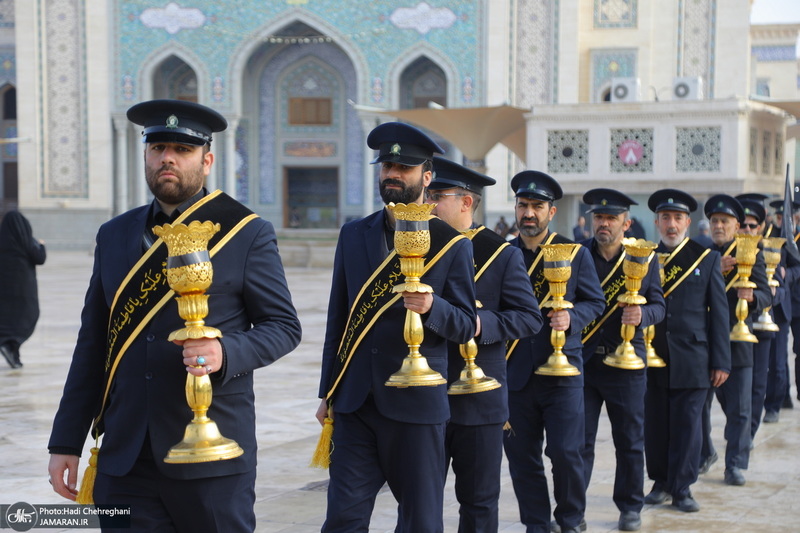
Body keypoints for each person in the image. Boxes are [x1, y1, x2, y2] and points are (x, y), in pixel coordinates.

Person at [47, 99, 302, 531]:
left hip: (213, 453)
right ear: (146, 155)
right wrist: (66, 441)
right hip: (126, 459)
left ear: (207, 161)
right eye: (158, 147)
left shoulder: (246, 232)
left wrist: (226, 351)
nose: (167, 158)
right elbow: (93, 343)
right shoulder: (114, 235)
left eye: (182, 150)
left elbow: (284, 327)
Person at [315, 122, 477, 532]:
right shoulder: (354, 234)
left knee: (420, 522)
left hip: (417, 408)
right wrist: (327, 392)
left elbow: (465, 325)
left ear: (426, 177)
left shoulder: (451, 244)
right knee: (343, 519)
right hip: (356, 404)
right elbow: (339, 317)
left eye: (403, 167)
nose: (391, 174)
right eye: (386, 165)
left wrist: (432, 306)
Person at [426, 156, 543, 532]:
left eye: (437, 195)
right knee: (419, 499)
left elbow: (529, 317)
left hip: (480, 398)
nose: (428, 202)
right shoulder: (416, 245)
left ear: (466, 202)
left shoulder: (501, 252)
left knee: (478, 503)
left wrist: (479, 323)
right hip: (422, 393)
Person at [502, 171, 605, 533]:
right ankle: (535, 523)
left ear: (551, 211)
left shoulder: (575, 253)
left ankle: (571, 519)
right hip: (514, 375)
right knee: (521, 457)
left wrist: (572, 316)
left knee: (566, 453)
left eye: (537, 206)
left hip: (562, 373)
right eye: (523, 205)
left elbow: (596, 301)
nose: (528, 213)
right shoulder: (501, 254)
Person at [578, 189, 665, 532]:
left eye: (611, 218)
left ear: (626, 223)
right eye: (599, 217)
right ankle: (573, 510)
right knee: (577, 443)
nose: (603, 223)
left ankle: (630, 506)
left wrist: (642, 315)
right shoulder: (577, 253)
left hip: (626, 365)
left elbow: (659, 305)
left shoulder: (643, 256)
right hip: (583, 362)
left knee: (629, 440)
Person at [643, 189, 730, 513]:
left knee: (688, 426)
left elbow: (720, 314)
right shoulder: (644, 257)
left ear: (688, 222)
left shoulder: (705, 258)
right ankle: (660, 481)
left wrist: (721, 360)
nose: (671, 224)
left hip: (694, 359)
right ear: (657, 222)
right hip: (654, 357)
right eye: (665, 218)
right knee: (655, 426)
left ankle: (682, 487)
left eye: (677, 218)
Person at [702, 195, 769, 487]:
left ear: (737, 226)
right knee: (698, 405)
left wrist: (753, 298)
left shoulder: (750, 252)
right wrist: (714, 269)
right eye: (715, 221)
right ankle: (704, 452)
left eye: (724, 221)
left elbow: (768, 293)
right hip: (703, 341)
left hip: (737, 339)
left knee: (739, 408)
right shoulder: (700, 254)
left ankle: (736, 464)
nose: (718, 226)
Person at [0, 211, 46, 368]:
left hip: (4, 291)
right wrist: (42, 245)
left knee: (6, 321)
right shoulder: (27, 242)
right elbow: (40, 258)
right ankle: (11, 348)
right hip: (24, 291)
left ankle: (11, 351)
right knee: (26, 318)